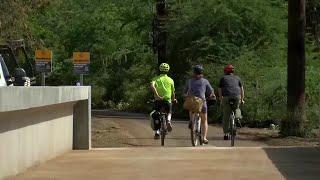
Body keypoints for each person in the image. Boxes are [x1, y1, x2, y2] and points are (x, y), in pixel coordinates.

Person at [184, 65, 216, 144]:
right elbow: (211, 91)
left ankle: (191, 120)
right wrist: (212, 95)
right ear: (202, 73)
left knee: (191, 106)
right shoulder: (205, 81)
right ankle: (204, 138)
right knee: (204, 120)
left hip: (192, 101)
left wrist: (185, 95)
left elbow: (185, 91)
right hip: (202, 102)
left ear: (194, 72)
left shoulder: (190, 81)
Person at [150, 63, 177, 140]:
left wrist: (157, 95)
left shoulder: (155, 78)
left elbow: (152, 86)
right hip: (167, 100)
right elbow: (173, 92)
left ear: (160, 69)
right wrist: (173, 99)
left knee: (156, 114)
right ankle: (168, 121)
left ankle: (157, 132)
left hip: (158, 100)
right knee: (169, 112)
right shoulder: (171, 80)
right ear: (168, 70)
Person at [218, 64, 245, 140]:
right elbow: (242, 90)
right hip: (236, 97)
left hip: (226, 98)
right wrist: (242, 99)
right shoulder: (238, 78)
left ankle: (226, 134)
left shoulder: (223, 78)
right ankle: (238, 118)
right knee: (237, 109)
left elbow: (219, 90)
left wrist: (221, 99)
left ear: (225, 71)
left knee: (226, 116)